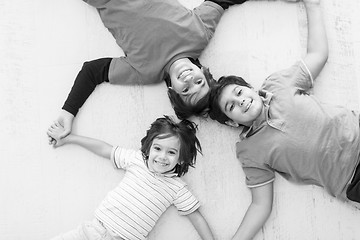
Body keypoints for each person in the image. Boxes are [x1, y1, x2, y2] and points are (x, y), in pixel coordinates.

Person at [209, 0, 360, 239]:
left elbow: (318, 54)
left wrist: (312, 5)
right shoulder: (249, 152)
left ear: (249, 87)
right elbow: (260, 206)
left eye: (239, 92)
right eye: (231, 107)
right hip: (351, 181)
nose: (241, 101)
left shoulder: (277, 85)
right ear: (231, 122)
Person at [52, 0, 248, 143]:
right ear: (203, 72)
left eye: (186, 90)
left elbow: (92, 72)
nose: (189, 80)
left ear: (173, 90)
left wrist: (68, 112)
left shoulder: (144, 72)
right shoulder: (199, 35)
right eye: (199, 82)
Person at [47, 115, 215, 240]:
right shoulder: (136, 160)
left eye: (171, 152)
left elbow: (196, 217)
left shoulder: (177, 188)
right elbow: (105, 149)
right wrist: (69, 139)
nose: (162, 156)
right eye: (158, 148)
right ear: (148, 148)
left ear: (182, 158)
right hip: (93, 231)